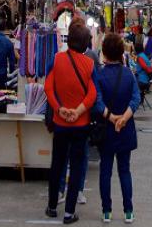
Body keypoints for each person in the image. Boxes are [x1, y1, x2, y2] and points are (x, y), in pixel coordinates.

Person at [44, 20, 97, 224]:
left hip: (60, 122)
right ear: (85, 43)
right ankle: (69, 212)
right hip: (80, 123)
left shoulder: (57, 60)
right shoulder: (89, 64)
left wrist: (60, 109)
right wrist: (78, 111)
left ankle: (51, 206)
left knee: (57, 163)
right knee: (76, 166)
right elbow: (92, 94)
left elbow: (48, 88)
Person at [93, 33, 140, 224]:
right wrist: (124, 118)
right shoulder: (128, 74)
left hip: (107, 129)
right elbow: (136, 98)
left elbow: (97, 102)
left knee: (105, 170)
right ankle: (128, 211)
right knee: (124, 170)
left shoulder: (100, 75)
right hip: (126, 129)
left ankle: (106, 211)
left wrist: (112, 118)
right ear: (122, 53)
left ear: (104, 54)